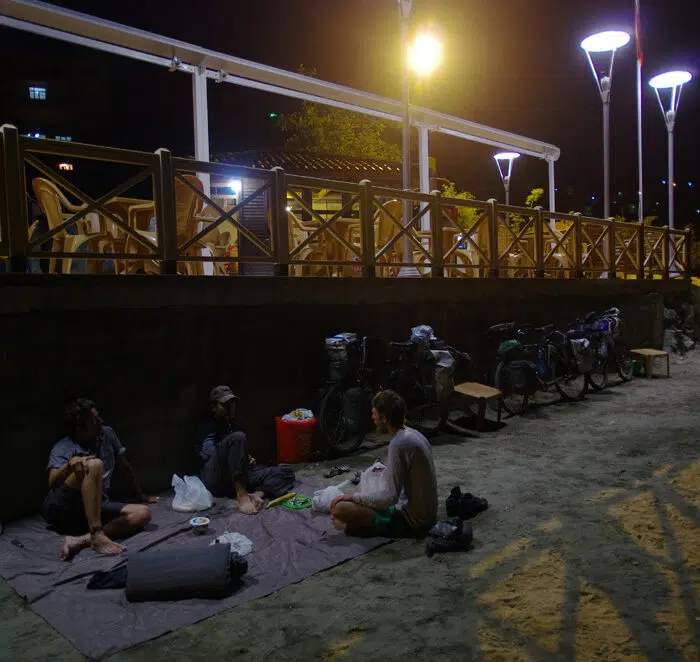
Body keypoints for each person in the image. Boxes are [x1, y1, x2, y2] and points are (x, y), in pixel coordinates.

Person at [43, 398, 156, 561]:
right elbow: (52, 482)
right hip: (63, 510)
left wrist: (141, 495)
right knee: (94, 464)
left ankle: (80, 541)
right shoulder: (64, 447)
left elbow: (124, 467)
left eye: (98, 417)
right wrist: (69, 466)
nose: (100, 422)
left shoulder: (107, 434)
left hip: (96, 506)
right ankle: (96, 532)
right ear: (80, 428)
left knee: (143, 513)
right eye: (94, 421)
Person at [330, 389, 438, 538]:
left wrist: (352, 497)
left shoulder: (398, 444)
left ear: (384, 418)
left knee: (340, 508)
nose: (372, 417)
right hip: (427, 514)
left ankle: (364, 524)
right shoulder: (414, 433)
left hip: (413, 521)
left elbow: (389, 498)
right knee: (368, 479)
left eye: (374, 414)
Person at [199, 386, 295, 515]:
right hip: (216, 477)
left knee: (286, 472)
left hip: (236, 478)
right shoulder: (207, 426)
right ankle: (242, 496)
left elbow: (238, 453)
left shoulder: (236, 425)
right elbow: (207, 453)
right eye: (225, 404)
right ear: (214, 407)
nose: (230, 407)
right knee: (237, 437)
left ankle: (257, 494)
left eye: (232, 403)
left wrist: (246, 459)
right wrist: (232, 455)